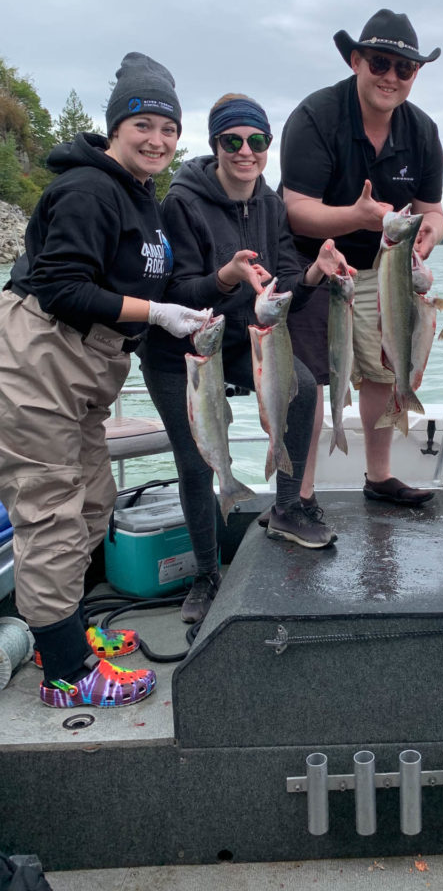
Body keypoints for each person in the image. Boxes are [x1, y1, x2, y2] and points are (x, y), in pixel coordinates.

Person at [0, 52, 212, 708]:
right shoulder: (89, 191)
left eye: (168, 129)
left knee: (93, 500)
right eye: (142, 124)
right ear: (115, 126)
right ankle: (66, 674)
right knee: (53, 515)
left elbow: (130, 282)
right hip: (41, 362)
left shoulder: (136, 196)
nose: (155, 139)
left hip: (84, 370)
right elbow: (63, 288)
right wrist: (158, 313)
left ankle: (62, 634)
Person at [140, 93, 351, 624]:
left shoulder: (272, 204)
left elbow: (286, 287)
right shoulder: (182, 202)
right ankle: (207, 576)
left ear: (266, 147)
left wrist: (313, 273)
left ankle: (285, 508)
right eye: (232, 141)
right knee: (196, 461)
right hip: (184, 352)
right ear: (214, 145)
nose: (245, 152)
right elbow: (177, 292)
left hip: (245, 340)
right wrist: (226, 277)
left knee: (301, 389)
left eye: (256, 142)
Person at [279, 9, 443, 507]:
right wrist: (355, 215)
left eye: (405, 68)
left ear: (415, 75)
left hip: (382, 267)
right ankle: (299, 495)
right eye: (379, 63)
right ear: (356, 61)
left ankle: (379, 477)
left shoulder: (422, 131)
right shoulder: (316, 117)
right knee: (308, 382)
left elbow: (432, 212)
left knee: (383, 370)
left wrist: (428, 237)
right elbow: (296, 212)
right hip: (314, 265)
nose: (391, 77)